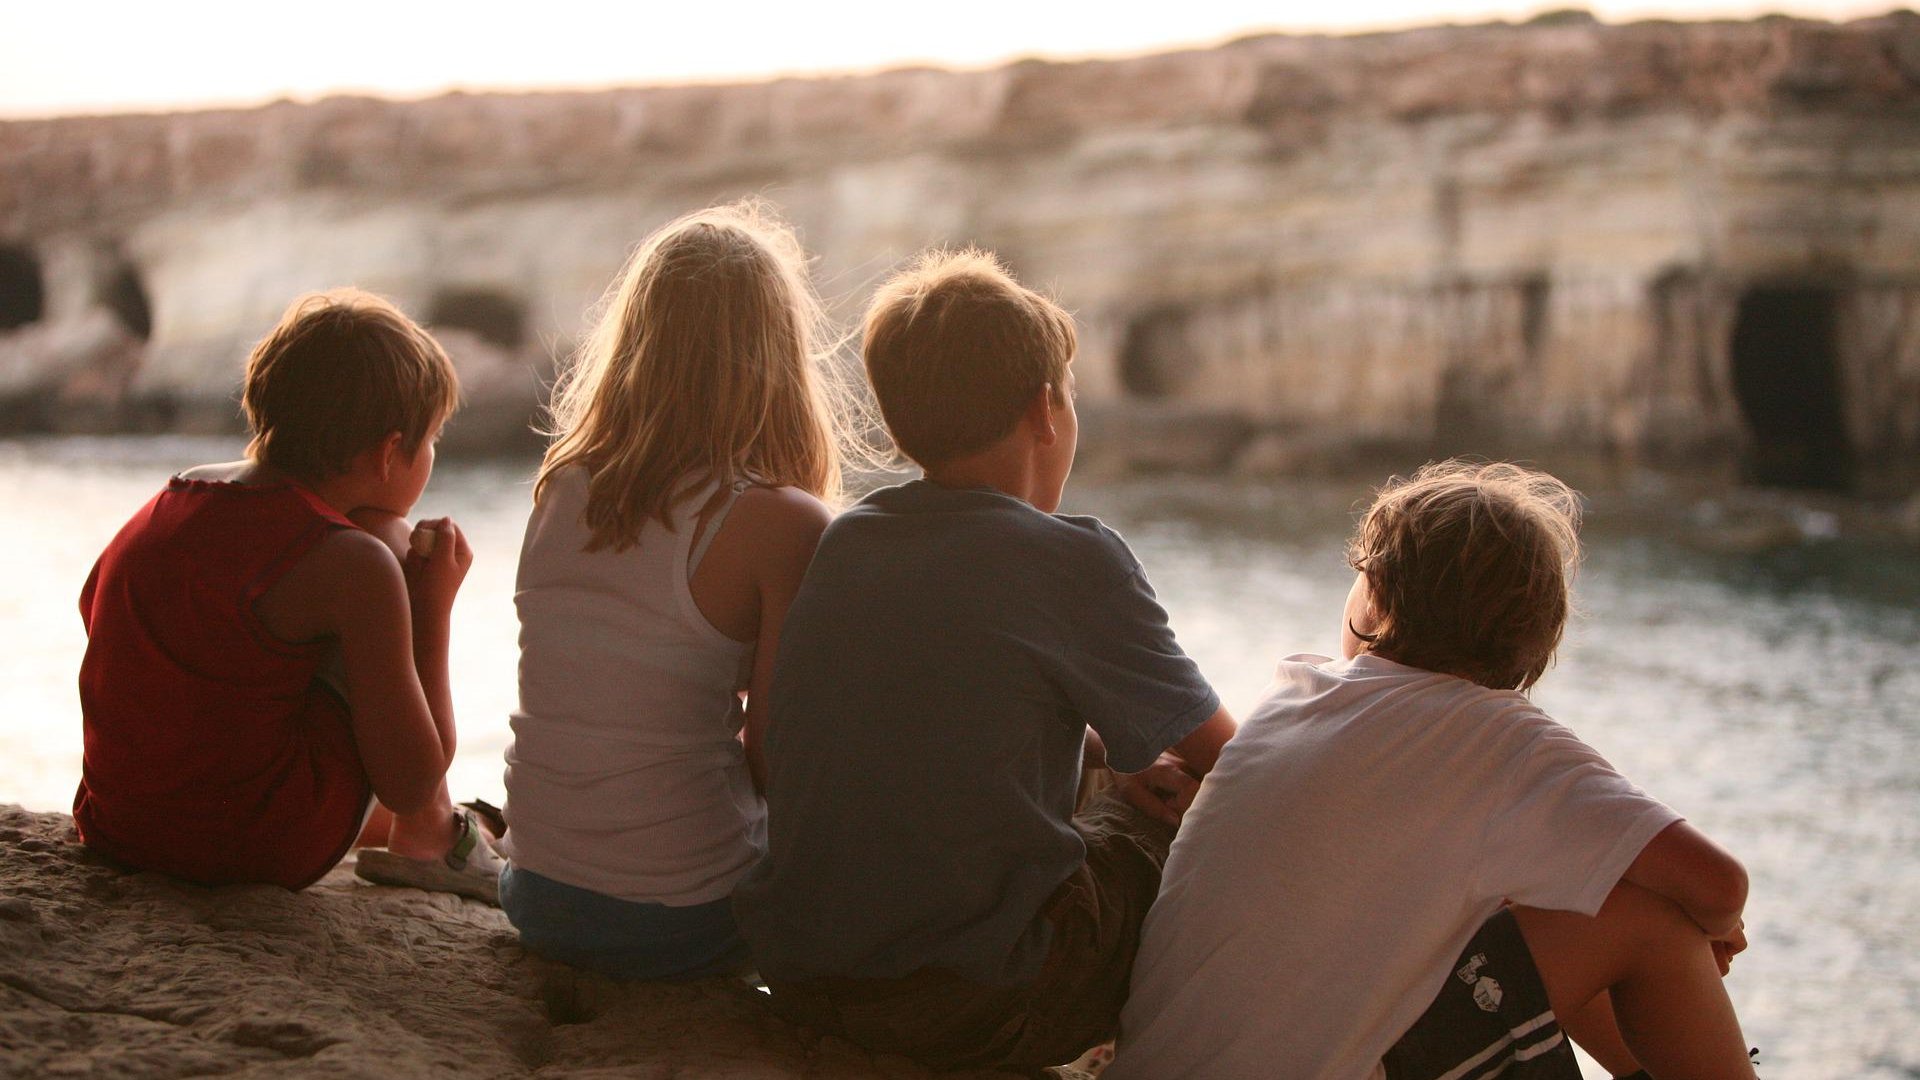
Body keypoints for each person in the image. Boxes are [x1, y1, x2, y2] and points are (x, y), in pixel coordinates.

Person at [731, 249, 1237, 1071]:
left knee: (1109, 786)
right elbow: (1240, 763)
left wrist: (1105, 753)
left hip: (802, 973)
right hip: (968, 1010)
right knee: (1158, 825)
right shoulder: (1072, 561)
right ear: (1046, 410)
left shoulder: (849, 540)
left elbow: (931, 719)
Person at [1112, 460, 1757, 1080]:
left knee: (1538, 892)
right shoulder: (1505, 742)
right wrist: (1713, 930)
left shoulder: (1298, 690)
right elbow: (1720, 886)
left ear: (1378, 594)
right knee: (1648, 920)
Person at [498, 201, 854, 980]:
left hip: (538, 895)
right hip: (686, 919)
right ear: (777, 355)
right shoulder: (779, 521)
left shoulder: (562, 483)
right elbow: (780, 761)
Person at [75, 288, 502, 901]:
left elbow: (95, 604)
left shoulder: (177, 494)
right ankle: (437, 840)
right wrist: (431, 606)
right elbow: (412, 783)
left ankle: (430, 828)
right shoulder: (356, 563)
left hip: (120, 825)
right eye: (431, 439)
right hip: (248, 849)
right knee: (387, 542)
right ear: (388, 453)